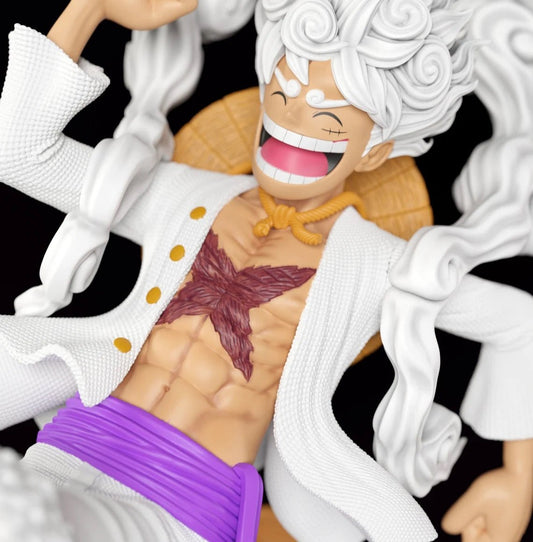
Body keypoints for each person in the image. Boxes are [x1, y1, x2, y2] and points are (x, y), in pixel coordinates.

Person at [0, 0, 532, 541]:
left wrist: (518, 475)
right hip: (71, 448)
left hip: (185, 507)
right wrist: (89, 9)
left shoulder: (378, 264)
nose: (294, 121)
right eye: (282, 96)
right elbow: (22, 153)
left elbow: (519, 322)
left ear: (375, 151)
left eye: (327, 118)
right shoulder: (180, 196)